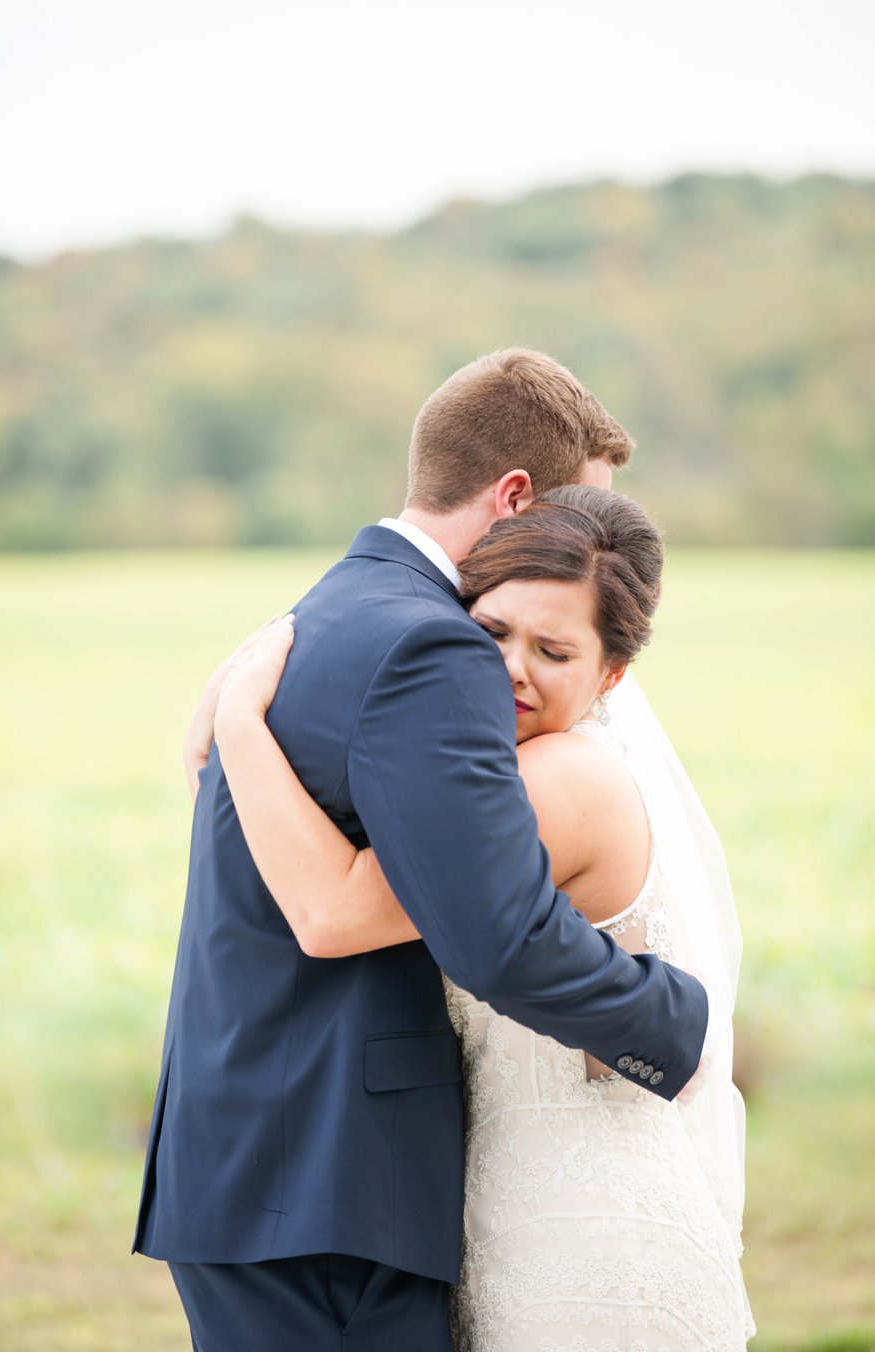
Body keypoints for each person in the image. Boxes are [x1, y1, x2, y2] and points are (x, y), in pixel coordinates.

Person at [133, 350, 710, 1351]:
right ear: (516, 496)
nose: (583, 542)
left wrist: (229, 714)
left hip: (254, 1156)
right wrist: (674, 1018)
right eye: (573, 515)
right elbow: (492, 934)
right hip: (328, 1185)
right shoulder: (429, 646)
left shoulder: (326, 612)